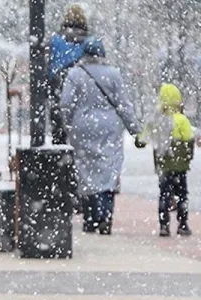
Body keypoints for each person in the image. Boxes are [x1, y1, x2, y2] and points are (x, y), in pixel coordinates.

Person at [61, 38, 140, 235]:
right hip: (110, 128)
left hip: (83, 126)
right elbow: (123, 104)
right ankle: (106, 215)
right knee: (109, 170)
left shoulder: (75, 74)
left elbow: (66, 103)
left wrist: (68, 125)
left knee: (86, 171)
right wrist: (134, 129)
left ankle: (90, 218)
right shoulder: (114, 74)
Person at [136, 84, 195, 237]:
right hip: (180, 166)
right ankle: (182, 224)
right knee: (182, 195)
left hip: (164, 165)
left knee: (164, 194)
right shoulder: (182, 120)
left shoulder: (158, 122)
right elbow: (188, 138)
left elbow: (142, 139)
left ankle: (164, 225)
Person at [48, 4, 89, 146]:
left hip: (58, 80)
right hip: (80, 80)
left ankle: (59, 150)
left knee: (58, 116)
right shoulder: (88, 41)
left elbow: (50, 62)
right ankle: (79, 149)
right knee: (80, 117)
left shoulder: (56, 39)